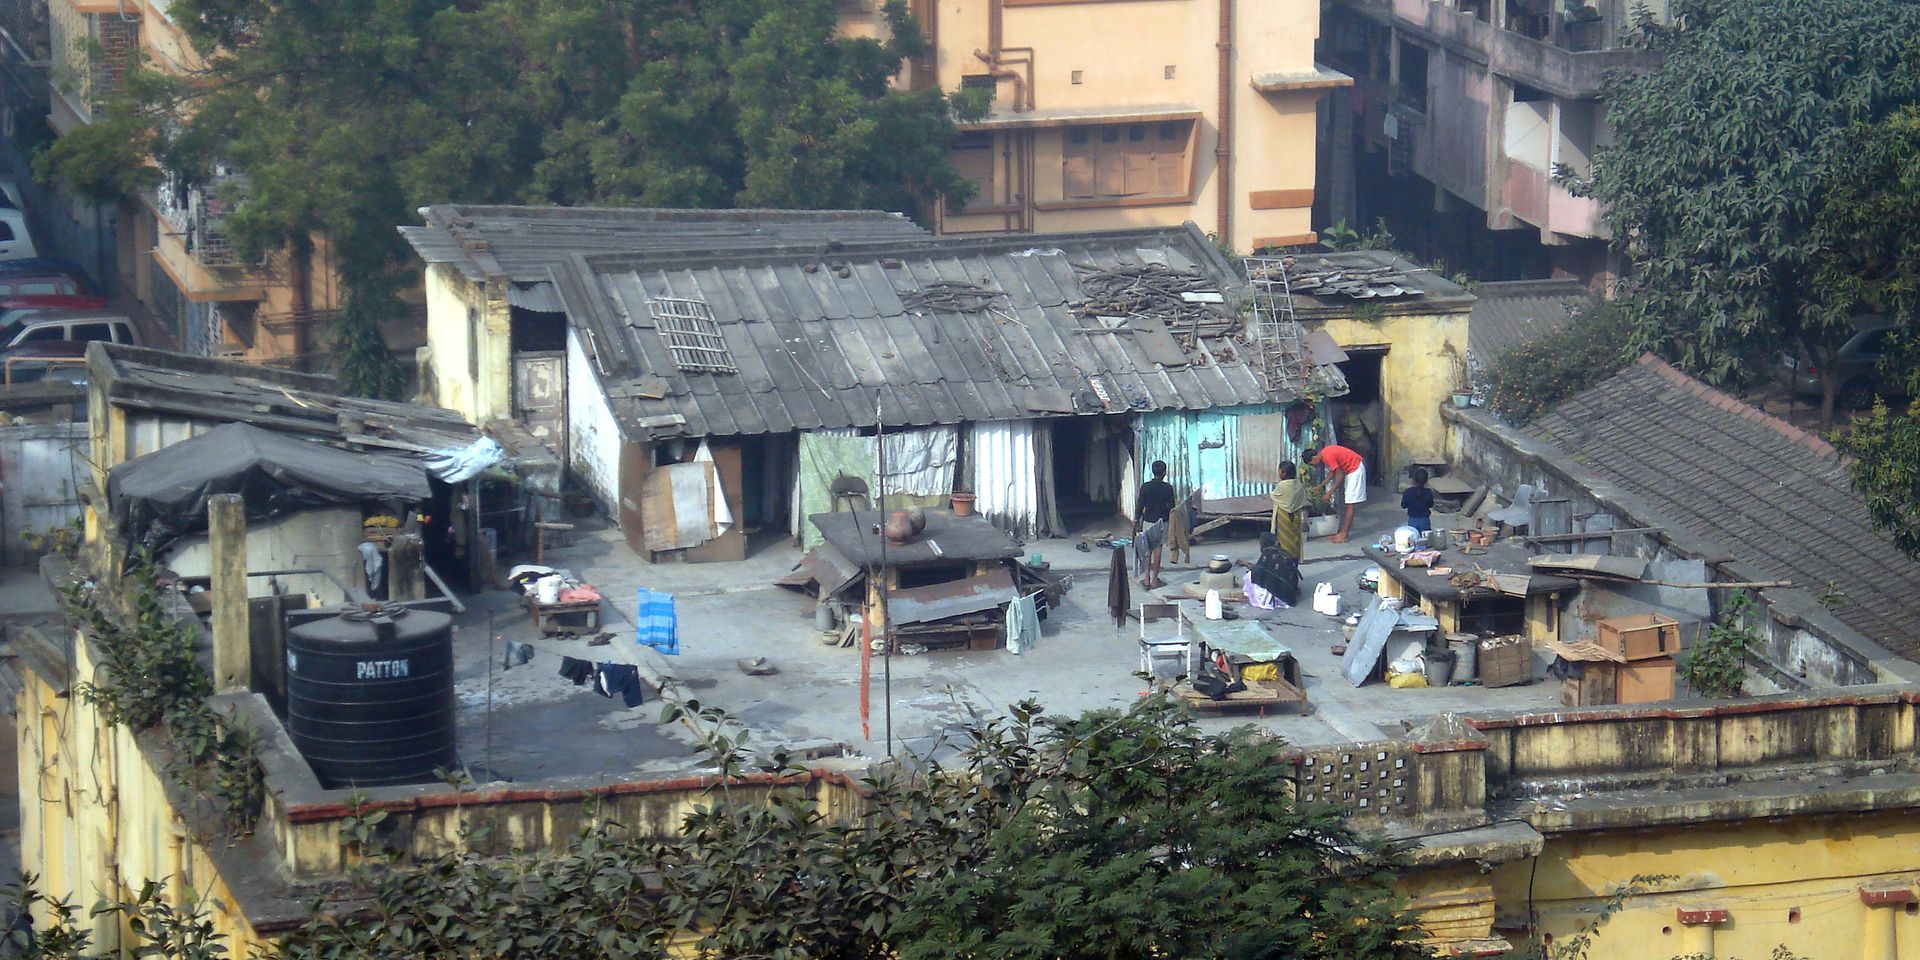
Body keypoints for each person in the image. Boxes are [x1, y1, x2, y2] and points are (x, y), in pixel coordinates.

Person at [1133, 460, 1177, 589]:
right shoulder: (1168, 488)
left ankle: (1146, 579)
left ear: (1153, 472)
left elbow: (1140, 505)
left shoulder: (1145, 487)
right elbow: (1172, 507)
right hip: (1162, 522)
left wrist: (1136, 519)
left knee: (1147, 550)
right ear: (1164, 473)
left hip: (1148, 522)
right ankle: (1154, 581)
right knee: (1158, 550)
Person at [1311, 442, 1366, 543]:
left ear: (1313, 459)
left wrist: (1329, 493)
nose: (1314, 466)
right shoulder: (1325, 453)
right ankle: (1342, 533)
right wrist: (1320, 486)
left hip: (1355, 469)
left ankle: (1344, 535)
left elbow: (1339, 476)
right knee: (1348, 503)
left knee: (1350, 505)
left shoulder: (1327, 456)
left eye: (1311, 464)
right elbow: (1332, 472)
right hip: (1351, 470)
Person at [1268, 460, 1309, 561]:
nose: (1278, 473)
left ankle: (1283, 565)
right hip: (1296, 516)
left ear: (1284, 473)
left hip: (1283, 517)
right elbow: (1302, 498)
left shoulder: (1282, 485)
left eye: (1279, 471)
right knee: (1294, 541)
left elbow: (1273, 496)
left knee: (1282, 542)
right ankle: (1294, 564)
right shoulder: (1298, 484)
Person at [1402, 466, 1435, 534]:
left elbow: (1403, 505)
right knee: (1426, 539)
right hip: (1424, 521)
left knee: (1413, 539)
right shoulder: (1428, 492)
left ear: (1413, 479)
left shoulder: (1408, 492)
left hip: (1412, 521)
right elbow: (1431, 505)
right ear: (1426, 480)